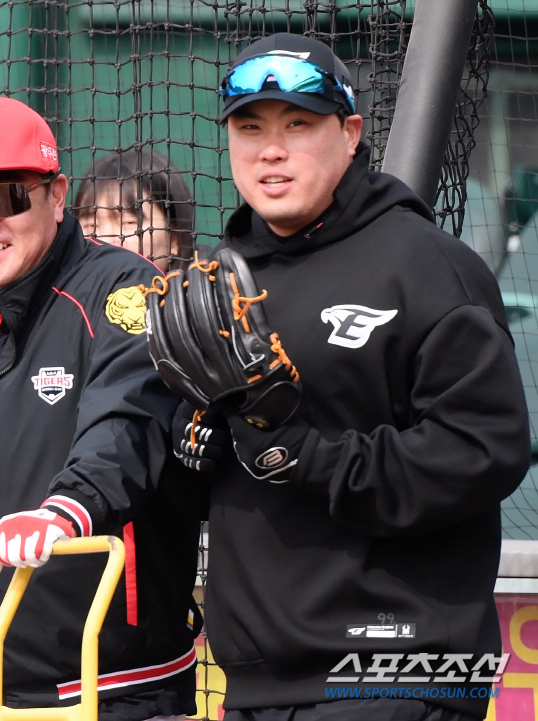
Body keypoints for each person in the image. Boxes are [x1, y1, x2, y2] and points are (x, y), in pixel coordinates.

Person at [172, 34, 531, 721]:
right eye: (249, 128)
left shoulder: (426, 264)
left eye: (297, 125)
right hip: (254, 684)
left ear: (351, 133)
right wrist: (196, 449)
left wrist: (313, 456)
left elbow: (485, 450)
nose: (269, 149)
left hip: (394, 676)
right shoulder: (220, 281)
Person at [0, 95, 202, 721]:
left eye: (10, 195)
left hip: (115, 692)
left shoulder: (124, 290)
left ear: (55, 194)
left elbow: (124, 427)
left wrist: (61, 513)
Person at [73, 149, 194, 271]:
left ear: (174, 237)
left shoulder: (206, 284)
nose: (105, 241)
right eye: (91, 226)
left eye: (128, 223)